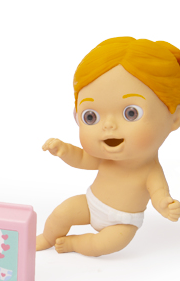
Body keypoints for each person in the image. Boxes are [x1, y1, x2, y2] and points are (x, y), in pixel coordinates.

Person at [36, 37, 180, 256]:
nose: (109, 125)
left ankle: (76, 244)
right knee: (62, 213)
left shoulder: (149, 170)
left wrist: (164, 205)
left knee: (106, 244)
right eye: (91, 116)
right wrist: (63, 150)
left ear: (175, 118)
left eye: (131, 113)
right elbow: (82, 158)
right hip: (90, 203)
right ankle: (47, 237)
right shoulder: (106, 158)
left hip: (123, 221)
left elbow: (159, 192)